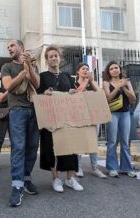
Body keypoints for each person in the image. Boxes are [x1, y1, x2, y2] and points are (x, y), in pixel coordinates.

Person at [37, 45, 83, 193]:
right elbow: (38, 96)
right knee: (49, 147)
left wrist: (72, 91)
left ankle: (70, 178)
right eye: (50, 56)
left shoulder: (67, 76)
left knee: (71, 147)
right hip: (50, 118)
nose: (53, 58)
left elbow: (72, 93)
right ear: (46, 60)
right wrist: (45, 93)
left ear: (59, 58)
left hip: (66, 118)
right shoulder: (42, 77)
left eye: (55, 55)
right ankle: (56, 178)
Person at [1, 39, 40, 207]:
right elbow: (8, 86)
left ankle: (26, 178)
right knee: (18, 147)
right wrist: (23, 73)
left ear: (21, 48)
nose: (9, 49)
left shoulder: (32, 65)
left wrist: (29, 67)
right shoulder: (6, 67)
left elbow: (37, 84)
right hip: (17, 110)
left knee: (32, 146)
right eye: (8, 47)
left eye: (12, 45)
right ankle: (17, 186)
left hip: (34, 109)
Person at [103, 61, 137, 178]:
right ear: (109, 71)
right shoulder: (106, 83)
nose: (114, 70)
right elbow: (108, 98)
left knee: (125, 142)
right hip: (112, 114)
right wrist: (118, 87)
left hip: (125, 113)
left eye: (116, 68)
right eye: (111, 68)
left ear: (120, 69)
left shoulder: (127, 82)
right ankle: (112, 168)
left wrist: (125, 87)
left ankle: (126, 168)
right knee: (112, 141)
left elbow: (133, 99)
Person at [74, 63, 107, 179]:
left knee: (93, 142)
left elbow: (101, 95)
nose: (86, 70)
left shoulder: (92, 83)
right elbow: (78, 93)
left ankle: (95, 167)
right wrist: (87, 81)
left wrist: (92, 82)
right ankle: (78, 167)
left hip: (93, 116)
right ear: (78, 71)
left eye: (87, 69)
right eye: (83, 69)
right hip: (79, 116)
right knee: (79, 143)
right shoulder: (74, 83)